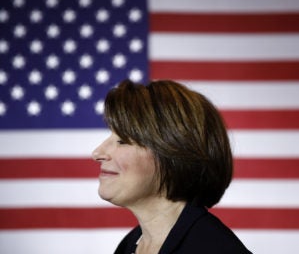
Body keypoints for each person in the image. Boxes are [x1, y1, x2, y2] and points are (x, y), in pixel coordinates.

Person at [92, 79, 252, 254]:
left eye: (122, 141)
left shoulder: (216, 249)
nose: (97, 153)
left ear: (172, 153)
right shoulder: (129, 245)